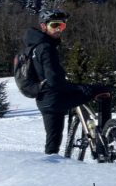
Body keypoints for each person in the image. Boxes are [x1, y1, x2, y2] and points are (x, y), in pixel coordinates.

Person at [25, 9, 110, 154]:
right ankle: (107, 136)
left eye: (62, 26)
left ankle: (49, 171)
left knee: (52, 146)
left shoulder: (34, 46)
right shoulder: (46, 48)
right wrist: (78, 87)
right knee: (103, 90)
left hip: (44, 100)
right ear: (43, 26)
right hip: (55, 99)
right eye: (55, 25)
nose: (59, 29)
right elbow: (54, 81)